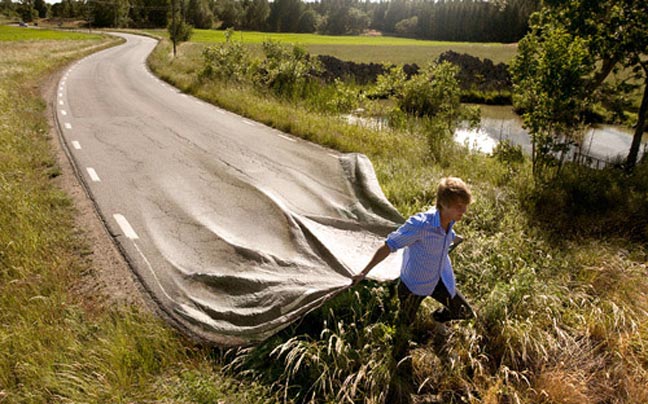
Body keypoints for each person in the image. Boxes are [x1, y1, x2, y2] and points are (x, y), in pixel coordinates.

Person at [352, 177, 475, 363]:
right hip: (413, 287)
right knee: (402, 334)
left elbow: (441, 238)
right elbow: (389, 245)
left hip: (438, 280)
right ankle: (398, 366)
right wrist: (364, 271)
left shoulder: (449, 220)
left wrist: (453, 238)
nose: (464, 211)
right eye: (459, 206)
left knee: (464, 312)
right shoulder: (420, 225)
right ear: (443, 204)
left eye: (465, 205)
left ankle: (437, 319)